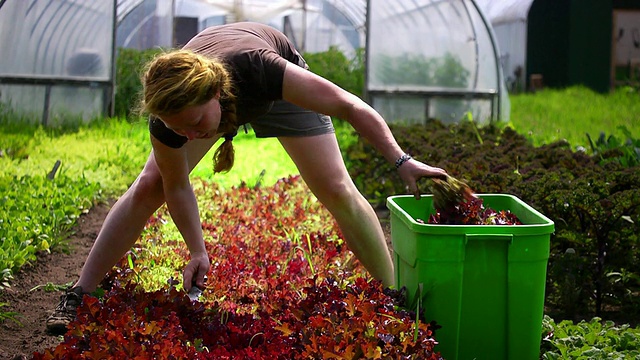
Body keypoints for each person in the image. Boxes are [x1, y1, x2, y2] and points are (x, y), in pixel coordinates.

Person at [45, 22, 447, 335]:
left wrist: (402, 161)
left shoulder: (264, 70)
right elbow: (176, 184)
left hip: (269, 88)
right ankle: (80, 293)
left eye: (195, 124)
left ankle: (392, 294)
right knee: (149, 184)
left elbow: (350, 106)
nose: (188, 136)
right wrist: (197, 250)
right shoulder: (172, 118)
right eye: (177, 128)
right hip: (207, 83)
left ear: (215, 96)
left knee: (336, 188)